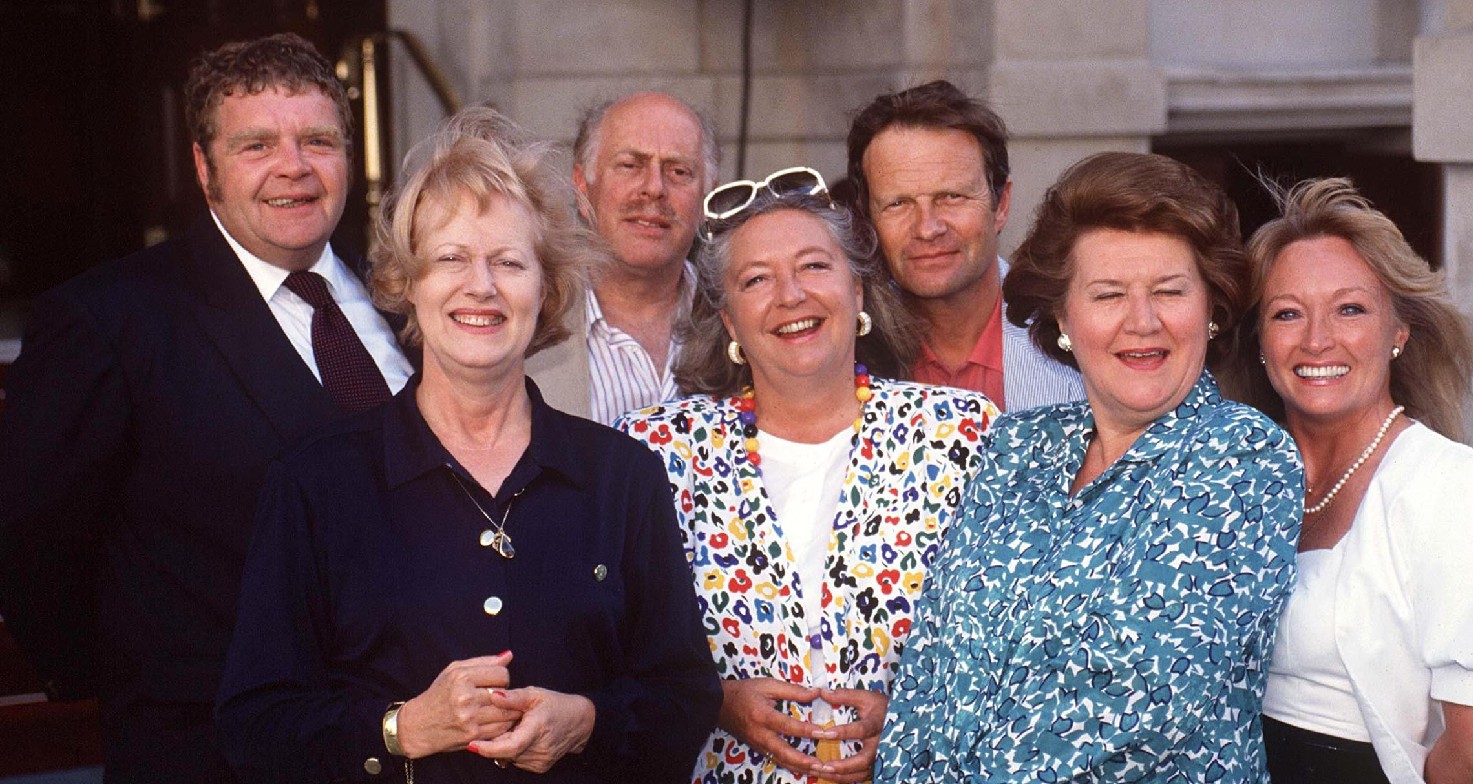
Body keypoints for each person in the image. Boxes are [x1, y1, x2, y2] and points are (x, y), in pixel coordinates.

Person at [215, 107, 720, 783]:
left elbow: (685, 698)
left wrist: (588, 722)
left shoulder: (621, 475)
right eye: (450, 258)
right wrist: (399, 729)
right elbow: (255, 724)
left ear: (546, 292)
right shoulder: (316, 483)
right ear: (407, 284)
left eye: (509, 262)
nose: (480, 286)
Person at [0, 33, 413, 782]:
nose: (294, 166)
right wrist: (149, 681)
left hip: (408, 734)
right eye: (257, 145)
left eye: (318, 139)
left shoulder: (403, 294)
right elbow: (33, 537)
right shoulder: (109, 320)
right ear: (203, 166)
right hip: (212, 745)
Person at [877, 152, 1304, 783]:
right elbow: (929, 672)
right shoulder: (1015, 447)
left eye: (1169, 291)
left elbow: (1144, 704)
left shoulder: (1244, 458)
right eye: (1108, 295)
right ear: (1062, 319)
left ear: (1211, 311)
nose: (1143, 321)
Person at [617, 167, 999, 783]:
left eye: (815, 267)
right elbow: (607, 649)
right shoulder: (656, 452)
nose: (790, 295)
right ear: (730, 322)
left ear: (859, 293)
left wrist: (917, 722)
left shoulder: (961, 435)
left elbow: (1011, 641)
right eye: (756, 280)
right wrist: (713, 698)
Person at [1240, 177, 1473, 784]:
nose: (1317, 340)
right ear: (1259, 340)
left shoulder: (1450, 487)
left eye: (1350, 308)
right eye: (1287, 313)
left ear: (1399, 331)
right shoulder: (1234, 475)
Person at [845, 79, 1084, 411]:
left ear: (1000, 205)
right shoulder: (842, 349)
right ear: (869, 219)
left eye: (951, 197)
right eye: (898, 204)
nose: (928, 228)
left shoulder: (1078, 337)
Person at [527, 91, 718, 424]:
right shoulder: (528, 324)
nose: (654, 188)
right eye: (630, 165)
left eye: (678, 172)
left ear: (707, 195)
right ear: (582, 184)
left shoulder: (740, 321)